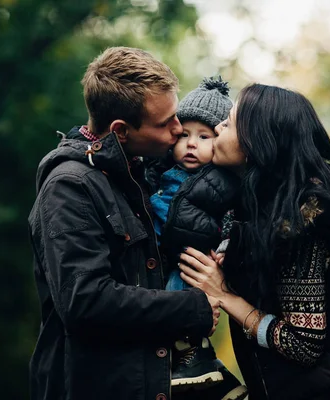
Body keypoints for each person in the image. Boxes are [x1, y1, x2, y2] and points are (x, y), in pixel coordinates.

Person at [27, 47, 221, 400]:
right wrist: (191, 308)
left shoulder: (140, 174)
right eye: (165, 124)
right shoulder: (69, 187)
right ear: (120, 131)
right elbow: (84, 301)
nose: (178, 131)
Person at [178, 84, 330, 400]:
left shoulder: (301, 224)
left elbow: (302, 344)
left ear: (254, 144)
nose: (218, 128)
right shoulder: (264, 202)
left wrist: (224, 295)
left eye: (229, 123)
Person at [147, 77, 247, 400]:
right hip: (168, 258)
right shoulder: (162, 172)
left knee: (181, 291)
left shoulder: (218, 180)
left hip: (194, 259)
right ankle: (185, 361)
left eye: (204, 137)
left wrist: (222, 247)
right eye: (185, 135)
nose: (192, 144)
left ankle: (191, 358)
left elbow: (230, 220)